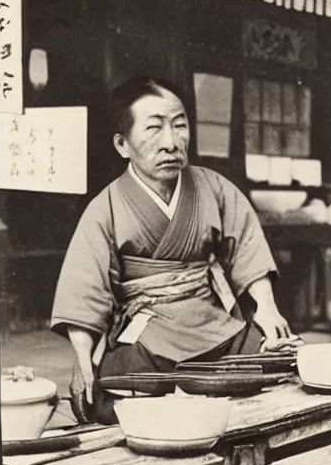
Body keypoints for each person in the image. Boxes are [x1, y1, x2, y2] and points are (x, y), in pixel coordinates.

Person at [50, 76, 294, 424]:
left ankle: (189, 393)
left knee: (279, 358)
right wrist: (83, 356)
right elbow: (85, 286)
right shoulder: (105, 207)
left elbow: (246, 244)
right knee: (103, 397)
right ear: (122, 144)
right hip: (149, 328)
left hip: (211, 320)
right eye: (154, 128)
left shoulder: (212, 186)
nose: (171, 142)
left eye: (179, 126)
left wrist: (267, 309)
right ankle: (200, 392)